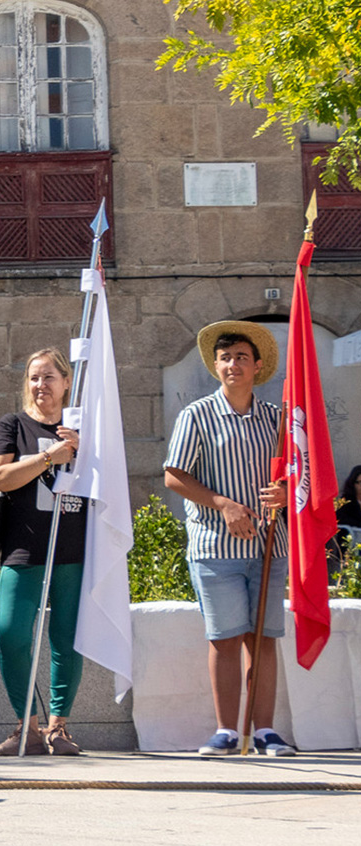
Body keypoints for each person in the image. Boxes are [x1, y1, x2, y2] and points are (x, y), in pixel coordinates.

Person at [164, 321, 295, 757]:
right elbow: (174, 475)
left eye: (241, 357)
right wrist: (223, 504)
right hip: (215, 547)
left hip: (267, 545)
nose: (232, 364)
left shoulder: (277, 420)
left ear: (257, 366)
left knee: (263, 638)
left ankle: (264, 732)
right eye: (225, 358)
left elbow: (294, 479)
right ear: (215, 367)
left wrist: (284, 491)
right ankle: (225, 731)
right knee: (223, 638)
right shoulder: (196, 415)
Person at [0, 347, 90, 757]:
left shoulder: (83, 428)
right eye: (33, 378)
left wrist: (83, 449)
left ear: (66, 383)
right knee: (11, 634)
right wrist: (49, 456)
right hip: (24, 548)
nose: (40, 385)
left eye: (49, 377)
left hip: (73, 548)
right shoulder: (13, 425)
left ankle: (59, 727)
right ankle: (26, 725)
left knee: (67, 638)